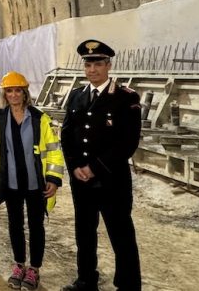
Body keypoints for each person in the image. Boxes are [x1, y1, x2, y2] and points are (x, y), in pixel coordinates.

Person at [61, 40, 142, 291]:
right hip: (81, 180)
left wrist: (94, 167)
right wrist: (75, 166)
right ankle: (86, 279)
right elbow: (67, 135)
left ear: (108, 65)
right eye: (88, 64)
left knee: (120, 233)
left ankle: (128, 284)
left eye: (98, 63)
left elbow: (127, 143)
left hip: (111, 180)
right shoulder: (76, 96)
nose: (92, 69)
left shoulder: (125, 98)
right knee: (84, 232)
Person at [0, 71, 64, 290]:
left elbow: (54, 150)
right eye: (9, 91)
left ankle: (34, 269)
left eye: (17, 90)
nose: (13, 95)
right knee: (15, 225)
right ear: (4, 94)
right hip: (10, 183)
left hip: (35, 184)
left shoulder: (40, 118)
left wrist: (54, 179)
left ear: (25, 93)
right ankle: (19, 265)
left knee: (36, 226)